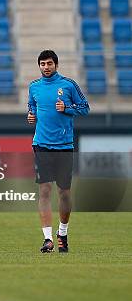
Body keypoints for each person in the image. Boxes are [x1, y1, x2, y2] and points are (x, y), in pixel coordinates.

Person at [27, 50, 89, 253]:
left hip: (63, 145)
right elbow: (32, 107)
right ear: (39, 66)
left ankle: (62, 233)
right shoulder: (34, 87)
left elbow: (85, 108)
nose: (46, 67)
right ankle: (47, 239)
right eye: (43, 64)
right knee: (44, 191)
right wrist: (31, 116)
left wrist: (68, 108)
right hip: (41, 144)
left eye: (49, 63)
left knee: (64, 192)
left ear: (56, 65)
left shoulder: (68, 85)